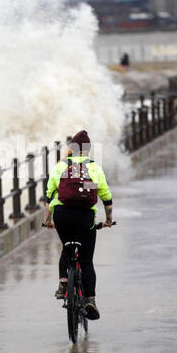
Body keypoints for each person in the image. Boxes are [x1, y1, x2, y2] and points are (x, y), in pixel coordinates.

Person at [43, 130, 113, 320]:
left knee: (67, 247)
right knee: (87, 260)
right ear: (88, 150)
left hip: (62, 216)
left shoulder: (60, 167)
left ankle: (63, 284)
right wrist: (108, 220)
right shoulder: (94, 169)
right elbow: (106, 197)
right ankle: (90, 299)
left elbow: (49, 196)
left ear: (71, 149)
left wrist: (48, 220)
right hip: (85, 217)